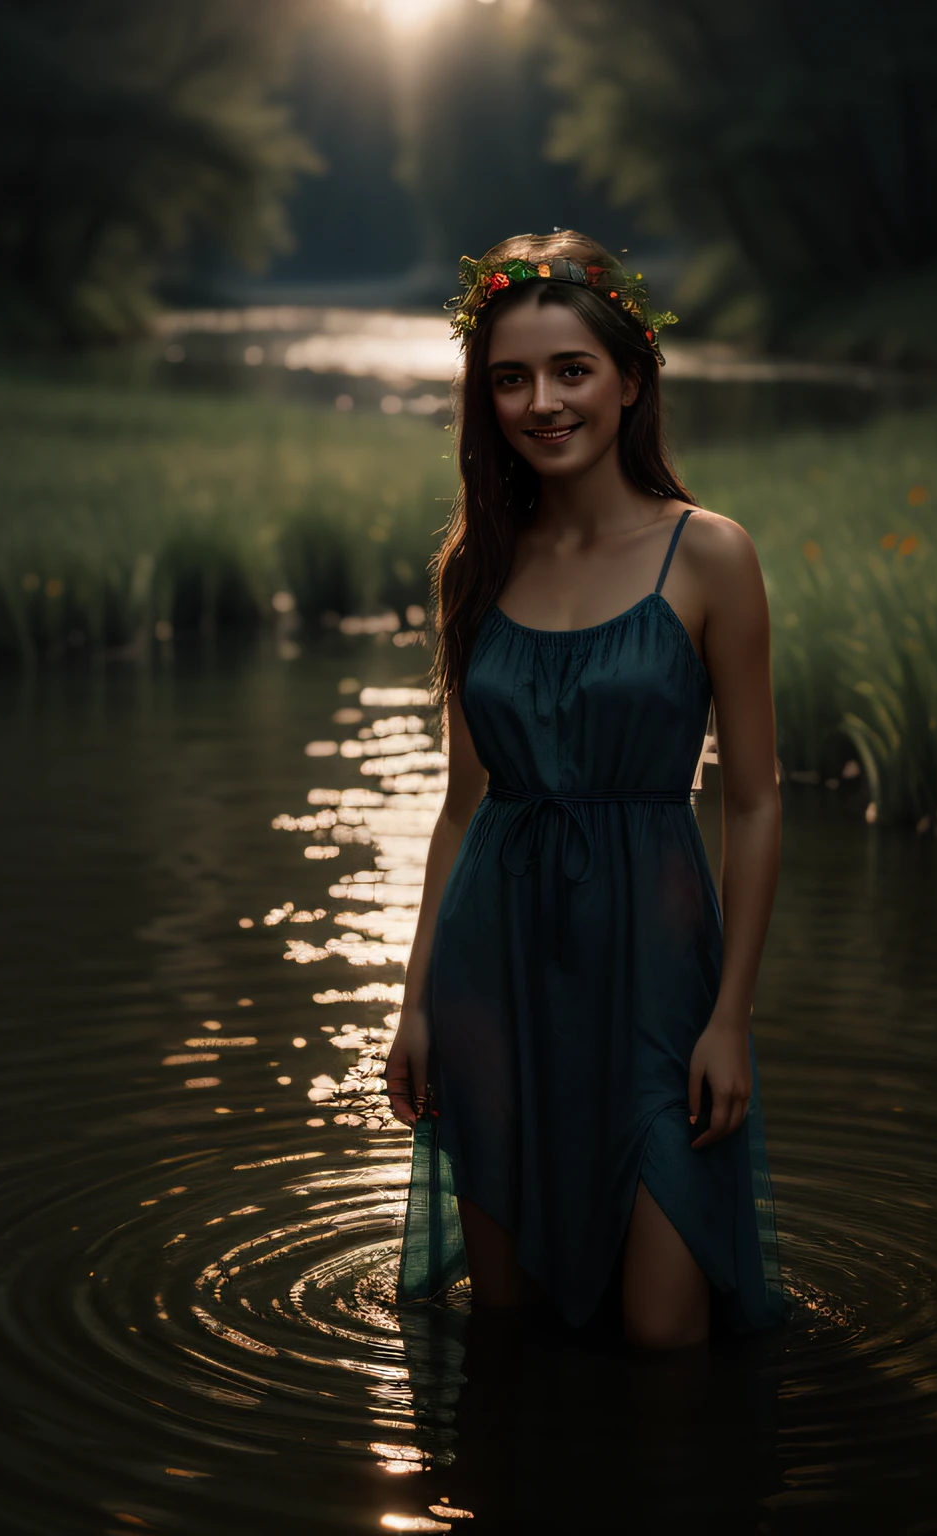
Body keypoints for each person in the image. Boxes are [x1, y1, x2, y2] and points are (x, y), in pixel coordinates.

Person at [385, 230, 789, 1350]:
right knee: (512, 1334)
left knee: (668, 1339)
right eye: (509, 378)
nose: (541, 401)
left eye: (570, 370)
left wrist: (730, 1020)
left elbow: (754, 800)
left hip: (657, 978)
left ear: (629, 377)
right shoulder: (477, 566)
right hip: (495, 970)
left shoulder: (708, 555)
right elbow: (464, 804)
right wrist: (417, 1003)